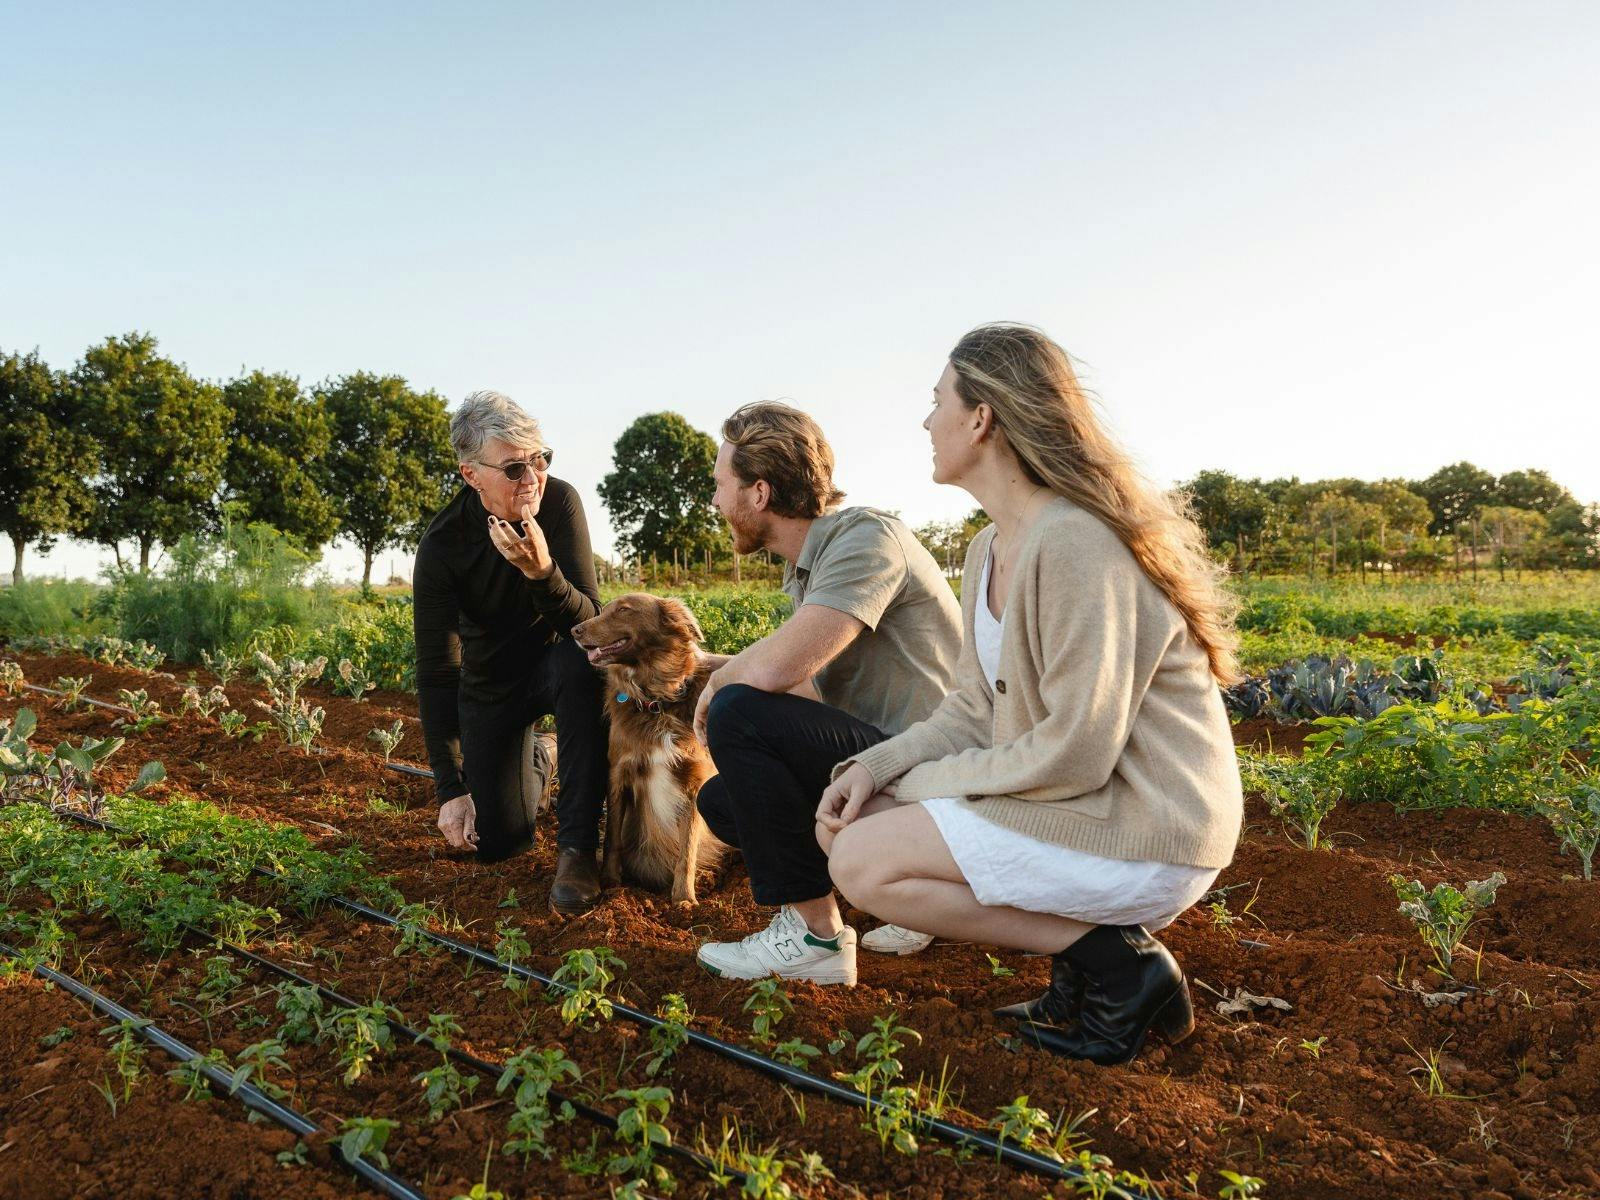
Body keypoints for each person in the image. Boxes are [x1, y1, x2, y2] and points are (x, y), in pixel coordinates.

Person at [816, 323, 1244, 1065]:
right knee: (849, 823)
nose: (925, 421)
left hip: (1148, 822)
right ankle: (1086, 967)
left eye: (936, 401)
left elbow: (1077, 749)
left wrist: (919, 789)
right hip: (1080, 803)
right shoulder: (988, 547)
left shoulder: (1075, 541)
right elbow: (973, 709)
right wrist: (875, 769)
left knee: (863, 861)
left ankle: (1122, 967)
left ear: (980, 418)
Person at [690, 401, 963, 985]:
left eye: (720, 486)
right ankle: (910, 885)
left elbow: (779, 669)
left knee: (739, 708)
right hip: (883, 757)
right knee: (723, 801)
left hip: (933, 763)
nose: (715, 502)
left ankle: (816, 936)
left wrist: (717, 678)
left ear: (759, 493)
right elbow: (811, 685)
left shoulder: (865, 537)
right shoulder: (809, 566)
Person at [413, 390, 610, 914]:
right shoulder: (443, 546)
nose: (533, 478)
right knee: (500, 845)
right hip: (491, 683)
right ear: (471, 475)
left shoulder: (561, 505)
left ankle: (578, 848)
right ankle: (540, 757)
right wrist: (451, 787)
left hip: (558, 665)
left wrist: (543, 576)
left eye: (541, 459)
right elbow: (437, 670)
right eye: (516, 468)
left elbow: (593, 628)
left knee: (580, 664)